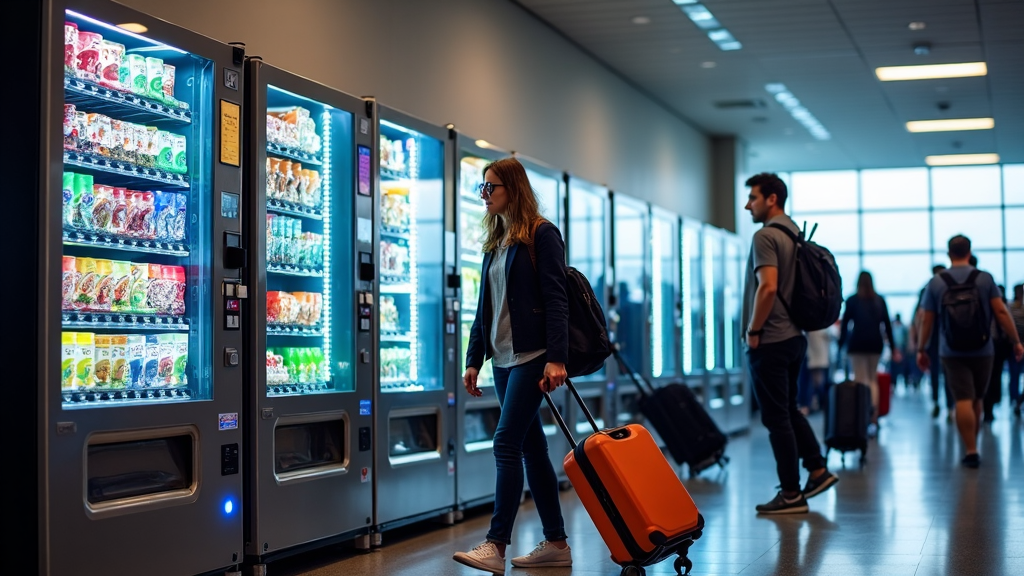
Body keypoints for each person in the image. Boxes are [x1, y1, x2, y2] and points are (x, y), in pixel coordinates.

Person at [454, 158, 572, 574]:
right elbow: (483, 308)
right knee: (531, 448)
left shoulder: (542, 235)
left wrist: (557, 357)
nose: (484, 195)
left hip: (533, 357)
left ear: (513, 189)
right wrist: (473, 360)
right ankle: (557, 543)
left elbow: (557, 300)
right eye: (481, 188)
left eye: (491, 187)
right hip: (503, 360)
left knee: (505, 443)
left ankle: (496, 545)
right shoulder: (495, 240)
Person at [741, 172, 837, 514]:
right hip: (796, 337)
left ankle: (792, 494)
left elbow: (767, 287)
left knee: (776, 419)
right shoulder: (796, 233)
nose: (747, 205)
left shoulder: (765, 236)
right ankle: (818, 468)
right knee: (790, 409)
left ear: (771, 199)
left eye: (753, 197)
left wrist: (754, 330)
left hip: (771, 339)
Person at [916, 235, 1024, 468]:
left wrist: (921, 348)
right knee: (977, 397)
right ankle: (973, 443)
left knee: (962, 398)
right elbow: (1001, 312)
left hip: (951, 350)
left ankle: (971, 449)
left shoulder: (936, 282)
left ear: (948, 253)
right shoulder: (984, 279)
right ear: (969, 251)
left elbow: (927, 320)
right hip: (983, 348)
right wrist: (1016, 340)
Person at [837, 271, 899, 429]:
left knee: (860, 380)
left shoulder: (852, 300)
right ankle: (874, 416)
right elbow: (887, 326)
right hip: (875, 344)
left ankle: (861, 414)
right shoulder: (879, 300)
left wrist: (840, 346)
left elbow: (845, 326)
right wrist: (893, 348)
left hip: (856, 345)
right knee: (873, 380)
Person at [913, 265, 953, 418]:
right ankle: (950, 406)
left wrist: (920, 344)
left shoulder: (927, 289)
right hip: (949, 335)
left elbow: (922, 317)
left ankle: (936, 401)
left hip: (933, 336)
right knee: (948, 371)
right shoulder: (950, 286)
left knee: (935, 371)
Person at [983, 286, 1011, 422]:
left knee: (994, 376)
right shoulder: (993, 308)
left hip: (997, 346)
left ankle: (991, 404)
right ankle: (988, 406)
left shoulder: (1003, 308)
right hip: (991, 344)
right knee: (991, 377)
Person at [798, 329, 831, 415]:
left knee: (818, 382)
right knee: (813, 382)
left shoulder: (823, 327)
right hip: (811, 355)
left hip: (818, 356)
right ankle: (813, 404)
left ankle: (823, 404)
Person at [1009, 283, 1024, 417]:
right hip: (1015, 344)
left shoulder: (1011, 307)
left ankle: (1017, 400)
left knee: (1015, 374)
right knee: (1014, 374)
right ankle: (1015, 400)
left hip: (1015, 343)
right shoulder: (1011, 307)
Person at [890, 313, 911, 388]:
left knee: (904, 366)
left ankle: (906, 381)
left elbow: (906, 338)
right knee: (894, 367)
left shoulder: (903, 328)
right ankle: (894, 382)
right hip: (895, 348)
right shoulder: (894, 327)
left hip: (902, 349)